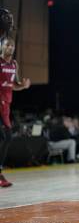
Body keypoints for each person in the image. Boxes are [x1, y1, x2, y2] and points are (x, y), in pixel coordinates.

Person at [0, 37, 30, 187]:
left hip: (6, 105)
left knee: (7, 137)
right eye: (7, 45)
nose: (10, 47)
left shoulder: (14, 64)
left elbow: (13, 85)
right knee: (6, 136)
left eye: (12, 45)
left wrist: (23, 86)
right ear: (1, 46)